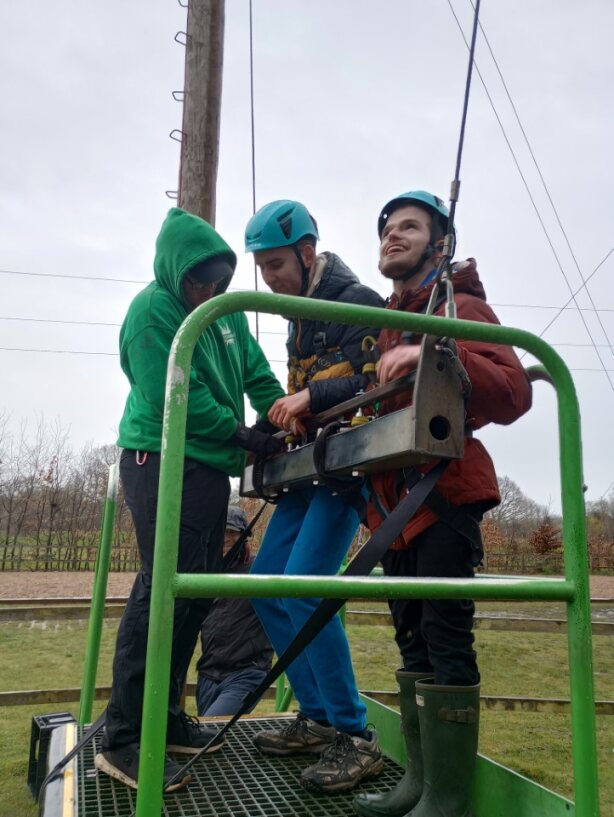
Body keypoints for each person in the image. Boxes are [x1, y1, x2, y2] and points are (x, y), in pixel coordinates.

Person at [353, 191, 533, 817]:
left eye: (408, 227)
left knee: (445, 635)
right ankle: (420, 785)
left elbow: (512, 392)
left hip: (444, 492)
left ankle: (448, 799)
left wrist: (439, 350)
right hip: (392, 506)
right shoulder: (386, 320)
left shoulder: (461, 306)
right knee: (411, 641)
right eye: (385, 230)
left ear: (439, 244)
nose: (392, 237)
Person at [95, 207, 286, 793]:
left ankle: (167, 715)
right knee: (162, 587)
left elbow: (255, 371)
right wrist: (241, 433)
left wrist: (279, 415)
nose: (207, 290)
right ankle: (124, 735)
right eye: (198, 279)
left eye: (218, 281)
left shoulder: (222, 318)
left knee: (193, 594)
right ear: (175, 270)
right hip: (160, 459)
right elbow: (170, 392)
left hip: (206, 468)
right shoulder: (153, 312)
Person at [242, 199, 386, 794]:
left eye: (276, 265)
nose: (270, 280)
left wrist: (312, 401)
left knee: (305, 587)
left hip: (348, 466)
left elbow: (382, 382)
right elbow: (305, 391)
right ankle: (319, 717)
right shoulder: (298, 320)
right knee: (267, 587)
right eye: (263, 269)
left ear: (307, 253)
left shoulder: (360, 304)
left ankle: (355, 734)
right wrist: (282, 426)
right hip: (309, 467)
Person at [195, 505, 273, 716]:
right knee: (206, 736)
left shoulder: (258, 569)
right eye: (221, 532)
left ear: (243, 537)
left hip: (247, 671)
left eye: (232, 532)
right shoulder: (203, 571)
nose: (226, 538)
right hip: (209, 671)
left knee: (211, 730)